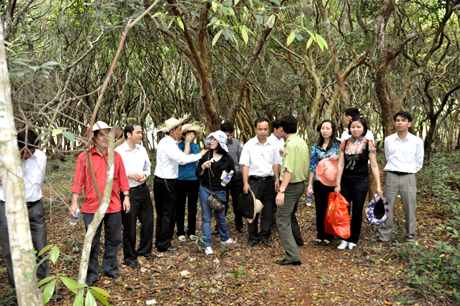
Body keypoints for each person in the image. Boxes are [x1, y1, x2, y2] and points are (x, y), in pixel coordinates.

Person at [0, 129, 63, 301]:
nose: (29, 154)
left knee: (40, 248)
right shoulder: (5, 157)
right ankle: (19, 294)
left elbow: (38, 181)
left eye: (32, 151)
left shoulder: (41, 157)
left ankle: (46, 290)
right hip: (9, 208)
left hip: (34, 207)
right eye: (25, 151)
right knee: (11, 251)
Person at [70, 121, 131, 286]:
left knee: (114, 239)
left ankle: (110, 269)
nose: (106, 138)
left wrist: (126, 197)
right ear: (94, 137)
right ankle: (91, 274)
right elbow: (78, 182)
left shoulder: (115, 156)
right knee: (92, 241)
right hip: (91, 207)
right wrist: (74, 203)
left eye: (108, 135)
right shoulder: (85, 157)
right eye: (102, 134)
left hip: (113, 206)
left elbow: (123, 179)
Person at [154, 116, 207, 253]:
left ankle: (160, 241)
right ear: (172, 131)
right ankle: (164, 244)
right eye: (178, 130)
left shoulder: (164, 142)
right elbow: (182, 159)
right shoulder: (170, 144)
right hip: (167, 181)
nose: (180, 132)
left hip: (161, 180)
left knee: (162, 213)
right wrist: (199, 155)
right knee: (168, 213)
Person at [334, 117, 382, 250]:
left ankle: (353, 238)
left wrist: (378, 184)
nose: (355, 129)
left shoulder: (369, 143)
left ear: (364, 128)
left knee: (357, 210)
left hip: (361, 181)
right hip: (345, 181)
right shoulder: (345, 143)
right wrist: (337, 184)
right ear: (349, 128)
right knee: (344, 210)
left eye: (358, 127)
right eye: (353, 127)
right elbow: (341, 164)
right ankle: (344, 237)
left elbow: (373, 165)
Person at [115, 122, 156, 269]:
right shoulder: (118, 151)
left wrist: (145, 174)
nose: (140, 135)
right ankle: (130, 257)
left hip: (143, 189)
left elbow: (147, 165)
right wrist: (128, 174)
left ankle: (145, 250)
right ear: (129, 134)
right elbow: (115, 171)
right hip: (128, 192)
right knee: (129, 226)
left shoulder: (142, 149)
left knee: (148, 222)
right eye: (138, 132)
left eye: (141, 132)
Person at [378, 111, 424, 242]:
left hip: (408, 177)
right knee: (387, 206)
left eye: (403, 120)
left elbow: (419, 161)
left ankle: (410, 236)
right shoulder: (388, 140)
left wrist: (408, 171)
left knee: (410, 207)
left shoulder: (417, 141)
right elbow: (388, 157)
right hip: (391, 176)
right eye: (397, 120)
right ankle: (385, 235)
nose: (399, 123)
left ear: (409, 123)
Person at [240, 118, 281, 247]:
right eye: (260, 129)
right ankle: (252, 237)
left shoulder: (272, 144)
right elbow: (245, 165)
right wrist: (245, 183)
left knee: (268, 210)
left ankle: (264, 236)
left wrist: (277, 179)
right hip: (254, 181)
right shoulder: (249, 145)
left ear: (269, 129)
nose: (263, 132)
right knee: (253, 210)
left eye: (265, 129)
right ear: (255, 129)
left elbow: (276, 163)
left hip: (269, 181)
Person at [275, 115, 309, 266]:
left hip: (291, 186)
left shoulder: (290, 145)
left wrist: (281, 191)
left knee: (281, 219)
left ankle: (293, 256)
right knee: (290, 214)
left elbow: (288, 170)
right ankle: (298, 240)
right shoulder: (301, 142)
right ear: (296, 127)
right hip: (300, 184)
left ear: (282, 129)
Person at [196, 131, 236, 255]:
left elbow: (232, 174)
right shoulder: (206, 156)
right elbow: (197, 173)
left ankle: (225, 238)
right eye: (211, 139)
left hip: (220, 191)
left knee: (221, 217)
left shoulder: (227, 158)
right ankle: (207, 244)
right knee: (206, 218)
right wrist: (203, 167)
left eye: (214, 139)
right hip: (205, 190)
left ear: (220, 143)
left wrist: (226, 180)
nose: (211, 141)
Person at [307, 120, 340, 246]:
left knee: (331, 209)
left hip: (333, 182)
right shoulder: (316, 147)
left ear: (332, 130)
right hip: (319, 182)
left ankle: (329, 236)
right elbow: (313, 166)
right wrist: (309, 184)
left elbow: (344, 163)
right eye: (323, 128)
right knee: (320, 209)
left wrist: (338, 157)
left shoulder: (338, 146)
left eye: (328, 128)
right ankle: (320, 235)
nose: (325, 131)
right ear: (320, 130)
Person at [175, 123, 203, 242]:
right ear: (185, 134)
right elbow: (184, 159)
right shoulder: (177, 146)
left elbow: (199, 161)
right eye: (190, 133)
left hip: (193, 180)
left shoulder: (196, 146)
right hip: (180, 180)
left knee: (192, 208)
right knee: (180, 207)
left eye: (193, 133)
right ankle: (180, 232)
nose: (192, 135)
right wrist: (186, 143)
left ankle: (191, 231)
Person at [220, 121, 246, 233]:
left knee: (238, 201)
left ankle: (239, 224)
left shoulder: (236, 143)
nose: (229, 137)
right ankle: (219, 225)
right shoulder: (217, 143)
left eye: (231, 135)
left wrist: (238, 172)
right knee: (222, 201)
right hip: (223, 177)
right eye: (227, 135)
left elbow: (241, 160)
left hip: (236, 176)